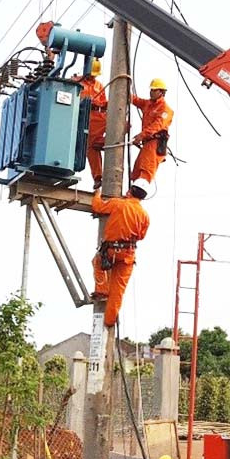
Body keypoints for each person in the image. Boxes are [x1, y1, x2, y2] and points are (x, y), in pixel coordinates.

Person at [91, 178, 151, 326]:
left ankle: (102, 290)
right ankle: (110, 320)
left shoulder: (118, 203)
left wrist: (97, 194)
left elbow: (98, 207)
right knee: (118, 290)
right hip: (128, 255)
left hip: (111, 250)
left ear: (130, 190)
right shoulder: (144, 215)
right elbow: (141, 236)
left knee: (97, 262)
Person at [131, 78, 174, 184]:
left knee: (145, 171)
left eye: (154, 90)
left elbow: (157, 125)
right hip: (147, 143)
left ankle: (135, 197)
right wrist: (124, 89)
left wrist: (141, 135)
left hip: (155, 144)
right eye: (151, 90)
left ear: (162, 92)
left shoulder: (165, 109)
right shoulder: (148, 104)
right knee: (136, 172)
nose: (151, 92)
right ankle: (132, 195)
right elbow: (136, 100)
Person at [76, 59, 108, 190]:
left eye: (95, 74)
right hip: (88, 117)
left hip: (101, 116)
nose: (93, 76)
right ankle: (98, 176)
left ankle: (103, 142)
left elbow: (104, 101)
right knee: (91, 146)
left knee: (123, 125)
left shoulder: (99, 85)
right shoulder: (76, 81)